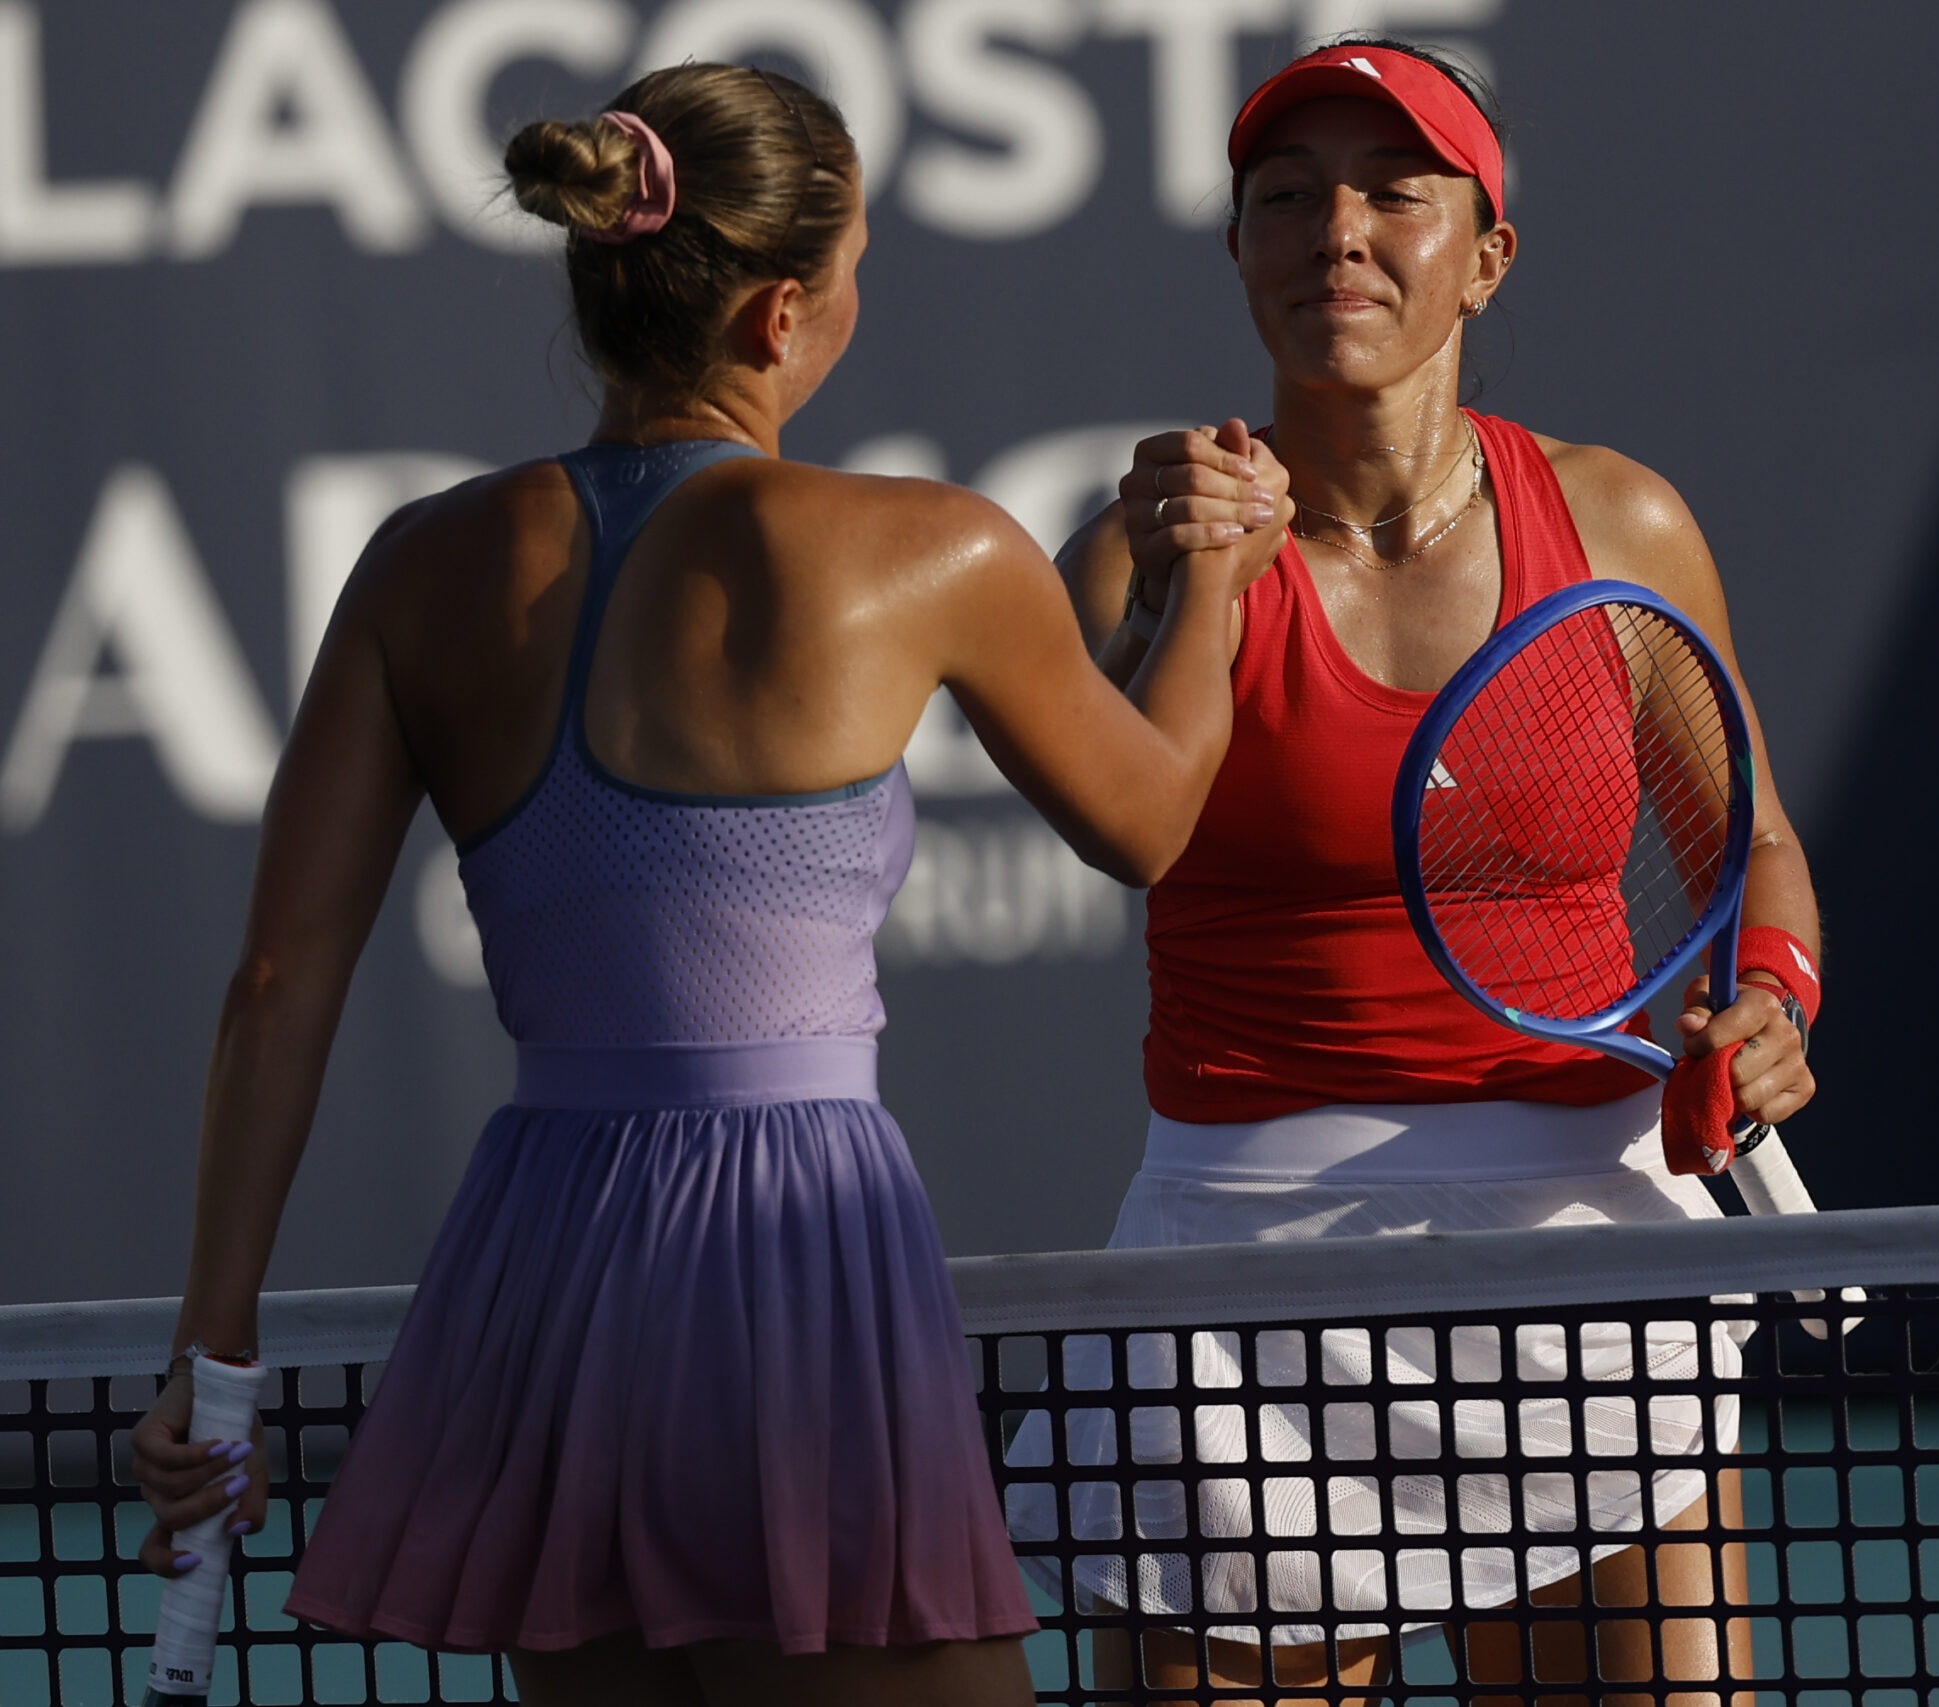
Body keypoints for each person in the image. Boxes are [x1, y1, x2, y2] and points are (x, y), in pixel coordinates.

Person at [128, 64, 1277, 1707]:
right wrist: (1219, 578)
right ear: (784, 309)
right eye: (863, 270)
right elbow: (1152, 819)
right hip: (793, 1250)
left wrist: (210, 1350)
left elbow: (275, 990)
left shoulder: (418, 563)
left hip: (542, 1269)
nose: (863, 303)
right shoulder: (932, 547)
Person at [1053, 38, 1825, 1702]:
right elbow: (1120, 819)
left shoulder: (1620, 521)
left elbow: (1743, 846)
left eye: (1394, 194)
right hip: (1242, 1294)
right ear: (1242, 252)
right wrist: (1186, 593)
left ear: (1485, 257)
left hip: (1589, 1264)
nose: (1336, 230)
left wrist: (1768, 1001)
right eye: (1285, 198)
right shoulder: (1139, 544)